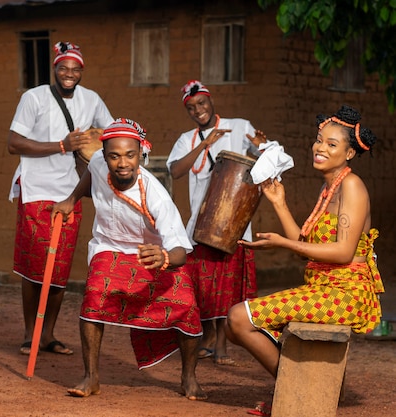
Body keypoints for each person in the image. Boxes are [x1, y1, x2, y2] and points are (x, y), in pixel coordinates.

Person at [225, 104, 383, 379]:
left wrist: (282, 243)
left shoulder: (352, 186)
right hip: (325, 287)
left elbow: (343, 253)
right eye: (319, 141)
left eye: (331, 144)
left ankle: (297, 390)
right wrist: (279, 203)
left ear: (349, 153)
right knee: (233, 326)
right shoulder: (329, 187)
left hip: (345, 294)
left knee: (238, 318)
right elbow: (306, 248)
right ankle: (303, 385)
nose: (320, 148)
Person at [53, 118, 206, 401]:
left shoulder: (156, 195)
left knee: (186, 305)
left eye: (130, 155)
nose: (122, 163)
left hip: (154, 254)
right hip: (108, 247)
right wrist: (71, 199)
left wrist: (161, 257)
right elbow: (90, 175)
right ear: (106, 155)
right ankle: (91, 377)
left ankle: (189, 376)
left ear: (141, 154)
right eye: (114, 156)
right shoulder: (99, 161)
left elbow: (180, 253)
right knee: (94, 297)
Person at [7, 41, 114, 355]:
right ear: (54, 69)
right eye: (63, 68)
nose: (69, 74)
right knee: (35, 265)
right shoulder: (34, 97)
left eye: (75, 68)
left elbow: (110, 132)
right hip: (37, 188)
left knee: (60, 268)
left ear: (82, 71)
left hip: (70, 191)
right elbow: (14, 143)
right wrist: (63, 146)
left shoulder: (91, 99)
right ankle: (31, 334)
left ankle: (48, 335)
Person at [166, 80, 266, 365]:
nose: (198, 110)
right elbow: (174, 171)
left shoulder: (238, 125)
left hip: (234, 227)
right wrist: (205, 144)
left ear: (211, 102)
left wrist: (261, 147)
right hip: (201, 227)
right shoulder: (187, 139)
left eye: (202, 103)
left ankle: (221, 345)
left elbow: (265, 159)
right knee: (204, 289)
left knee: (228, 289)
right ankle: (209, 339)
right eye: (191, 107)